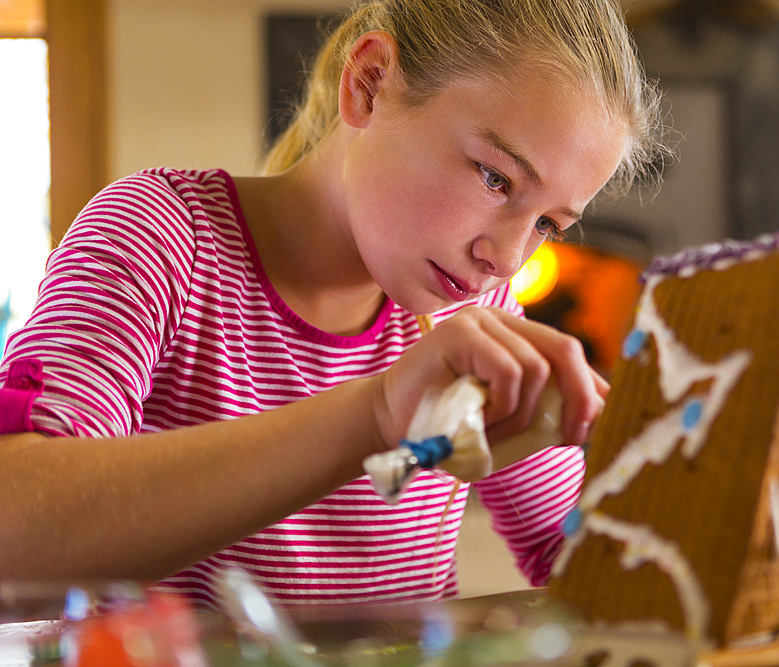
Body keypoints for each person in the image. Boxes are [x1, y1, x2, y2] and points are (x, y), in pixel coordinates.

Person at [0, 0, 663, 607]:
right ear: (369, 84)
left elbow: (589, 558)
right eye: (496, 178)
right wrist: (375, 414)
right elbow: (16, 531)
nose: (511, 259)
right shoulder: (163, 236)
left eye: (549, 223)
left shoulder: (470, 312)